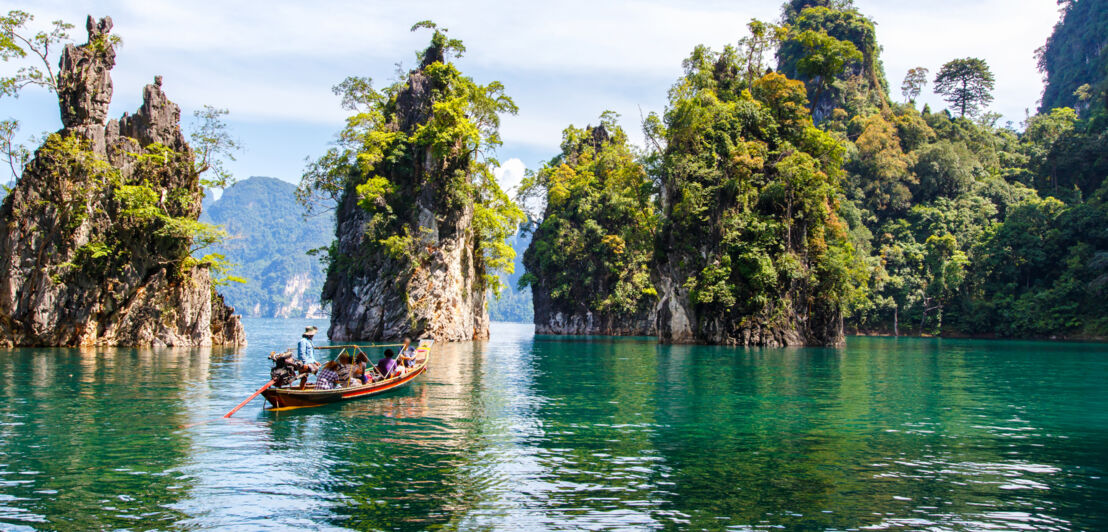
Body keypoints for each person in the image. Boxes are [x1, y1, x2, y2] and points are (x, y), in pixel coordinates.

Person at [296, 326, 321, 390]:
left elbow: (310, 355)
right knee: (304, 378)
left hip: (309, 362)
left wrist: (315, 361)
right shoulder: (303, 341)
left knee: (305, 378)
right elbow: (302, 353)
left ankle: (302, 389)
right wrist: (304, 364)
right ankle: (301, 390)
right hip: (305, 363)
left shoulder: (309, 341)